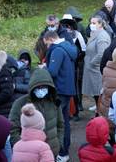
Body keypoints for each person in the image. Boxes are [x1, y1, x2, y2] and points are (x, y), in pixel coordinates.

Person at [9, 69, 64, 157]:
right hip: (30, 156)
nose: (41, 90)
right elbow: (13, 128)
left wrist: (59, 143)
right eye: (38, 87)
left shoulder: (54, 102)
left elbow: (60, 125)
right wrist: (22, 148)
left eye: (44, 87)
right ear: (32, 87)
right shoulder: (20, 104)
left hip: (52, 152)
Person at [42, 31, 78, 161]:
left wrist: (44, 68)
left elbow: (53, 72)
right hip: (67, 89)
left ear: (50, 39)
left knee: (58, 122)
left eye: (46, 44)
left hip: (60, 90)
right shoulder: (67, 47)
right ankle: (64, 150)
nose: (47, 47)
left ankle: (62, 152)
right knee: (65, 121)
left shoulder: (57, 51)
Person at [83, 15, 111, 113]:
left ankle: (99, 110)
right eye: (91, 23)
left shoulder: (102, 36)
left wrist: (91, 62)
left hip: (96, 68)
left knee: (98, 90)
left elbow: (101, 54)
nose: (92, 25)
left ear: (100, 24)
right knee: (95, 91)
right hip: (93, 68)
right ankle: (97, 107)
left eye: (94, 23)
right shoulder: (95, 33)